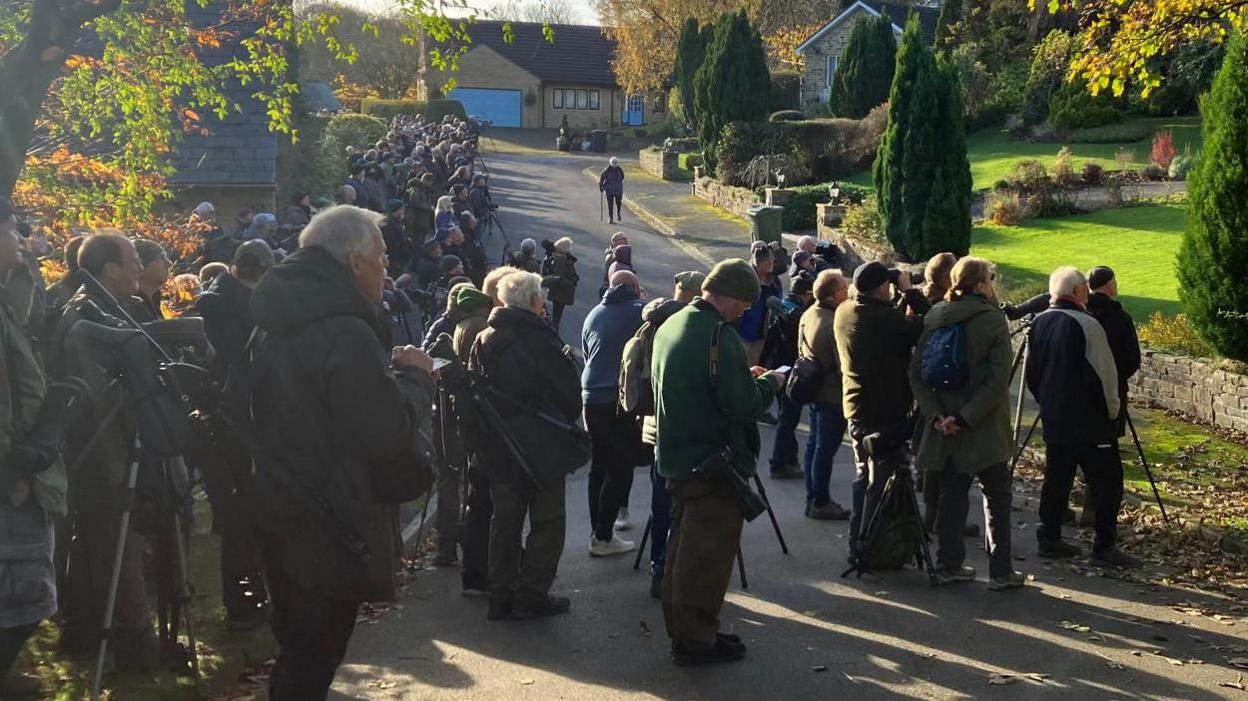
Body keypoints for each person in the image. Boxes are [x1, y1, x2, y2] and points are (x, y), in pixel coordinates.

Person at [247, 205, 438, 699]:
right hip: (328, 513)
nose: (388, 267)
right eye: (383, 256)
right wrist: (416, 378)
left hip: (279, 499)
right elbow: (383, 431)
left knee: (296, 648)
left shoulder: (275, 318)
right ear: (354, 262)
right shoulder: (345, 329)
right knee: (314, 656)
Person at [652, 258, 786, 666]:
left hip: (677, 456)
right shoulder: (718, 335)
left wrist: (744, 376)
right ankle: (695, 641)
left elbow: (700, 386)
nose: (745, 312)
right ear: (727, 297)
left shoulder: (673, 323)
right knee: (706, 557)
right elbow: (741, 405)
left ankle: (689, 630)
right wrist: (770, 381)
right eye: (744, 304)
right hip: (712, 463)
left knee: (682, 550)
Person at [54, 233, 158, 667]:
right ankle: (123, 641)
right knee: (112, 543)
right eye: (133, 259)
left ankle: (108, 632)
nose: (140, 267)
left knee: (118, 542)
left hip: (118, 445)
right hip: (101, 450)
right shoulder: (83, 313)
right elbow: (93, 395)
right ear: (109, 269)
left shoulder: (119, 308)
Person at [468, 272, 582, 621]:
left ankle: (500, 594)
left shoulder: (484, 339)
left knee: (504, 522)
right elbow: (569, 395)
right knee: (547, 521)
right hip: (541, 447)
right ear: (535, 301)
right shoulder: (541, 341)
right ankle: (532, 593)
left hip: (499, 447)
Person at [909, 258, 1026, 590]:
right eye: (990, 278)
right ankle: (1001, 571)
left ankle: (949, 564)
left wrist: (937, 416)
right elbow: (997, 380)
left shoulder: (935, 316)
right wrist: (966, 418)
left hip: (944, 425)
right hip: (982, 426)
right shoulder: (992, 320)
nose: (993, 283)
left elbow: (917, 373)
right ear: (979, 285)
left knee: (952, 494)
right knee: (997, 496)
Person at [1025, 267, 1139, 568]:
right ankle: (1104, 547)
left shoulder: (1039, 322)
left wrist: (1045, 402)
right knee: (1108, 481)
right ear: (1078, 292)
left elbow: (1032, 374)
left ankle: (1049, 537)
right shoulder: (1087, 324)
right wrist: (1113, 412)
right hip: (1090, 421)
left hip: (1056, 415)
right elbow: (1106, 375)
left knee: (1057, 478)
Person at [193, 239, 274, 628]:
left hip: (240, 418)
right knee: (240, 513)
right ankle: (242, 600)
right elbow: (234, 360)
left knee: (247, 513)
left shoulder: (223, 300)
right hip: (227, 422)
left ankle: (251, 594)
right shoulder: (220, 306)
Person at [835, 261, 931, 559]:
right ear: (881, 288)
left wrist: (897, 295)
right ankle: (870, 546)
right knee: (880, 481)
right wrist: (909, 291)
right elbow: (926, 325)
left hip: (855, 407)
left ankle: (858, 543)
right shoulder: (882, 318)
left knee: (864, 476)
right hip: (883, 413)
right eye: (888, 284)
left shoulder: (845, 311)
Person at [0, 201, 57, 698]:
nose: (20, 241)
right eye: (12, 232)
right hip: (9, 481)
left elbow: (28, 310)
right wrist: (12, 464)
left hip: (17, 467)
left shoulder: (6, 301)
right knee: (22, 597)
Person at [639, 271, 705, 598]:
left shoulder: (650, 322)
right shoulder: (686, 328)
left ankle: (657, 566)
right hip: (678, 427)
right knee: (680, 505)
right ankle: (671, 571)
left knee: (659, 503)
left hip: (652, 421)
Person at [581, 271, 645, 557]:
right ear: (635, 288)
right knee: (620, 465)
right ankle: (604, 536)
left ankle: (598, 530)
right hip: (617, 396)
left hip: (591, 396)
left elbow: (587, 353)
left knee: (600, 464)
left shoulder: (594, 313)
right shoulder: (640, 312)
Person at [1081, 265, 1142, 526]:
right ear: (1108, 285)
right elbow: (1132, 359)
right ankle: (1095, 512)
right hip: (1111, 393)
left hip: (1079, 393)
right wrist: (1115, 379)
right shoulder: (1119, 318)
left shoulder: (1081, 313)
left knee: (1076, 449)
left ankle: (1066, 513)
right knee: (1106, 452)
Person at [796, 270, 851, 519]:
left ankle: (812, 497)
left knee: (813, 446)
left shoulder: (809, 314)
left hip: (812, 389)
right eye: (844, 287)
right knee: (825, 450)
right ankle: (820, 500)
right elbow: (843, 365)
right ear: (835, 293)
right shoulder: (834, 322)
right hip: (831, 395)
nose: (848, 290)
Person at [763, 271, 814, 479]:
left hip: (775, 367)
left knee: (787, 417)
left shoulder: (781, 305)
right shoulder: (797, 313)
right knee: (788, 419)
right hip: (789, 370)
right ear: (805, 293)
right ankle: (779, 463)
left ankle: (790, 460)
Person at [737, 242, 782, 368]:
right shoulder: (748, 280)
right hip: (747, 333)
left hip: (766, 332)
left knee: (762, 364)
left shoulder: (774, 280)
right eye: (768, 262)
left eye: (772, 260)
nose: (771, 264)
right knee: (748, 366)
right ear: (759, 264)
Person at [542, 237, 578, 332]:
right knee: (556, 316)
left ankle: (554, 332)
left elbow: (559, 277)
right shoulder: (562, 259)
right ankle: (554, 333)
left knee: (556, 316)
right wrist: (571, 282)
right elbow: (560, 277)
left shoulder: (560, 258)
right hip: (561, 292)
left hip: (559, 292)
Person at [130, 238, 172, 320]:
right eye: (161, 258)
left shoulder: (155, 301)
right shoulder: (132, 307)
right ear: (141, 267)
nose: (169, 263)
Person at [598, 157, 625, 224]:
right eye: (613, 163)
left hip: (618, 189)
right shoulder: (607, 170)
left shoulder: (620, 170)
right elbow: (601, 179)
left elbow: (622, 177)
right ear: (610, 163)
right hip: (609, 190)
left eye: (615, 163)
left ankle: (618, 212)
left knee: (618, 202)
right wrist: (601, 187)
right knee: (610, 205)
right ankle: (611, 218)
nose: (614, 164)